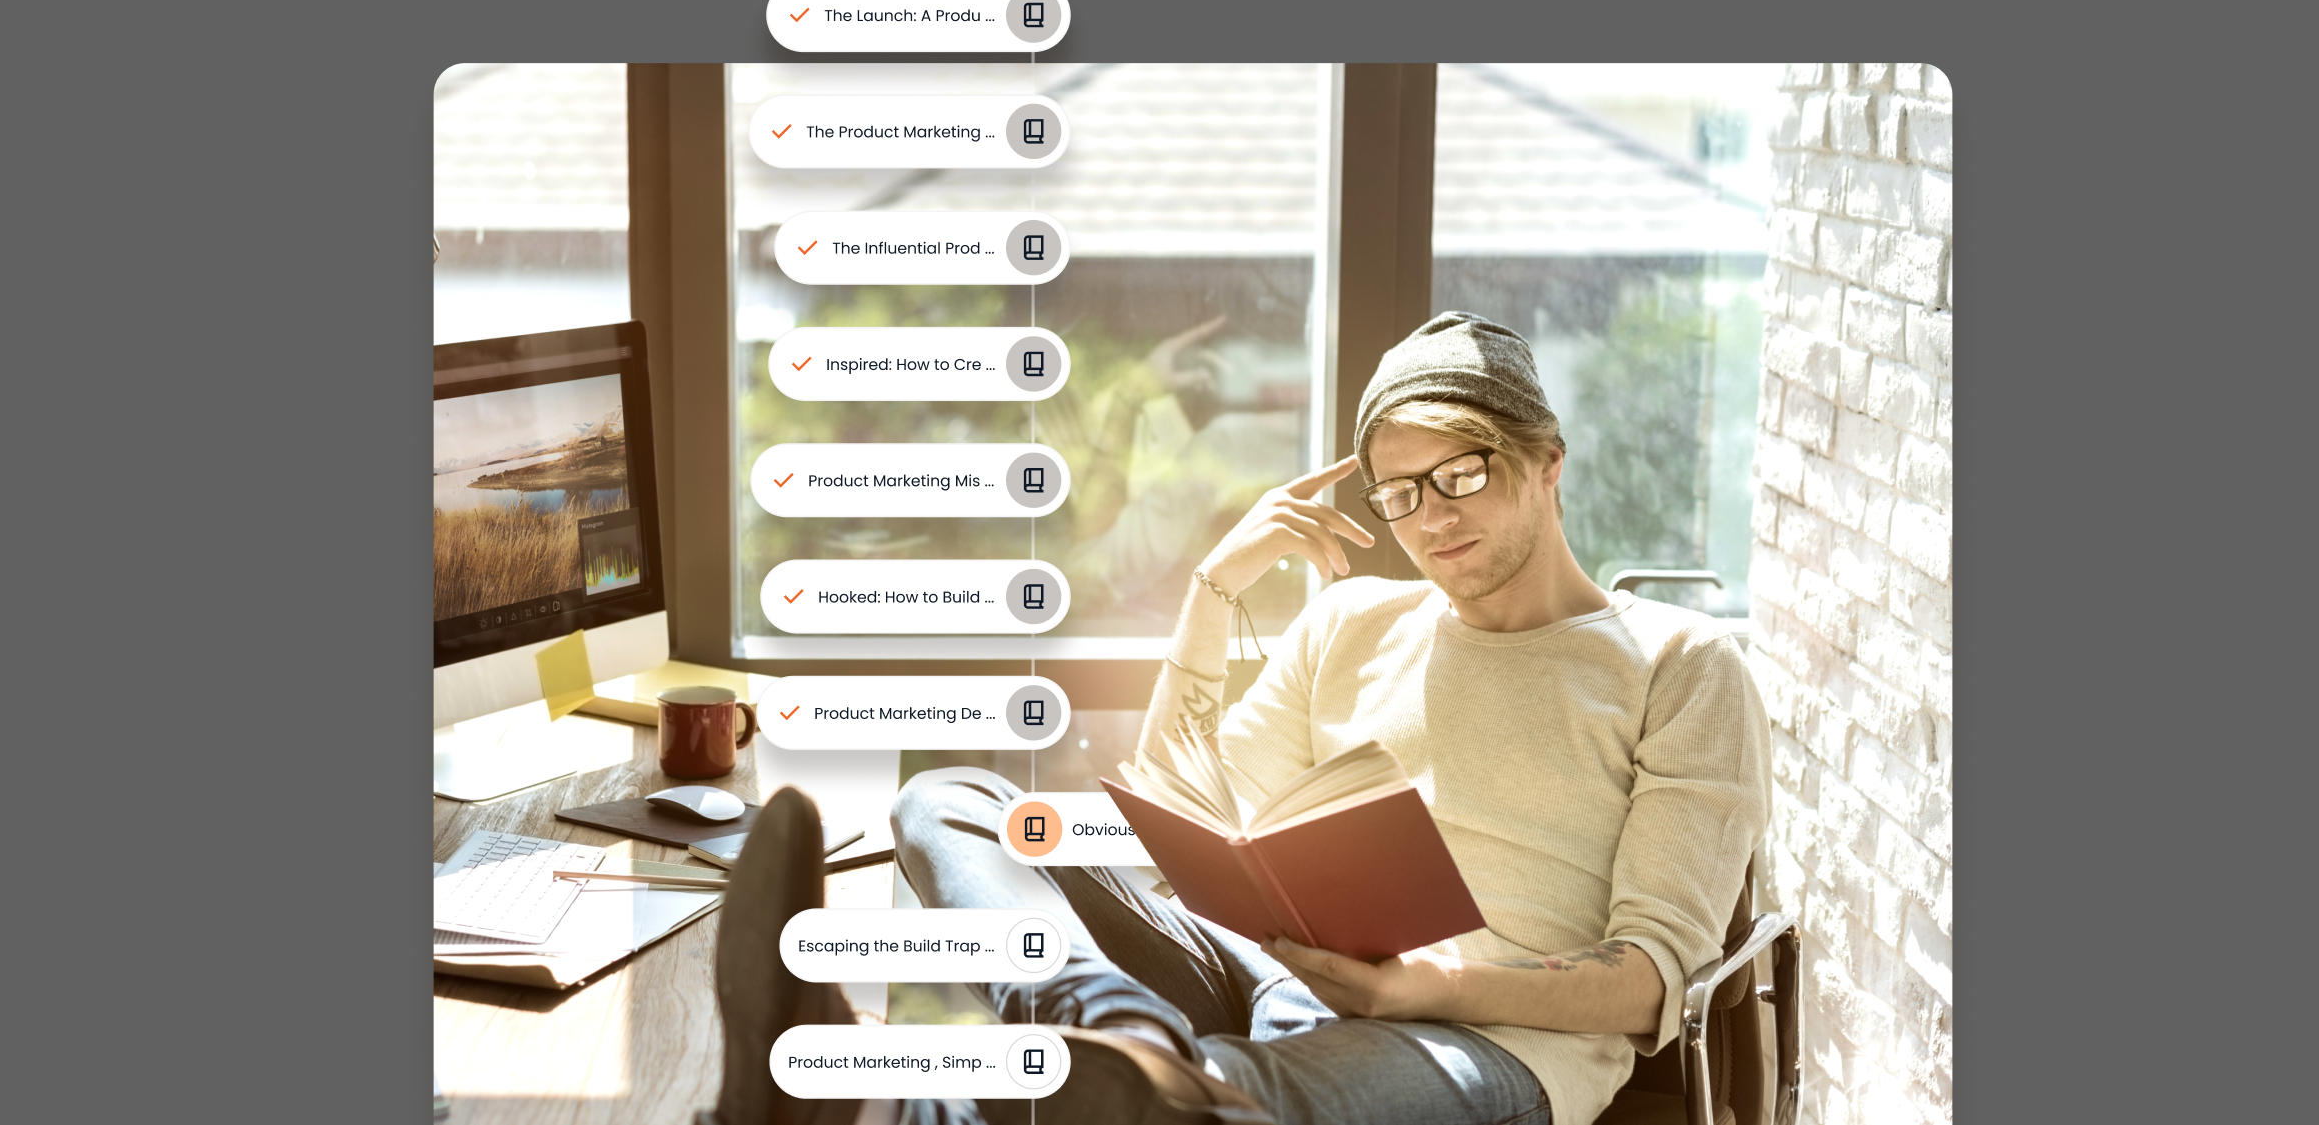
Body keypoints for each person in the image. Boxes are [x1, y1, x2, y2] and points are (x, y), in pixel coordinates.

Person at [707, 312, 1770, 1125]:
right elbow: (1173, 808)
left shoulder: (1680, 664)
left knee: (1226, 1096)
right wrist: (1214, 592)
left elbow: (1647, 987)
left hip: (1485, 1045)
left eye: (1462, 472)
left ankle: (855, 1093)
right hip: (1268, 967)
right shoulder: (1353, 619)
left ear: (1547, 462)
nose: (1431, 517)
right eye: (1398, 493)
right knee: (957, 801)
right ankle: (1117, 1027)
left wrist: (1419, 987)